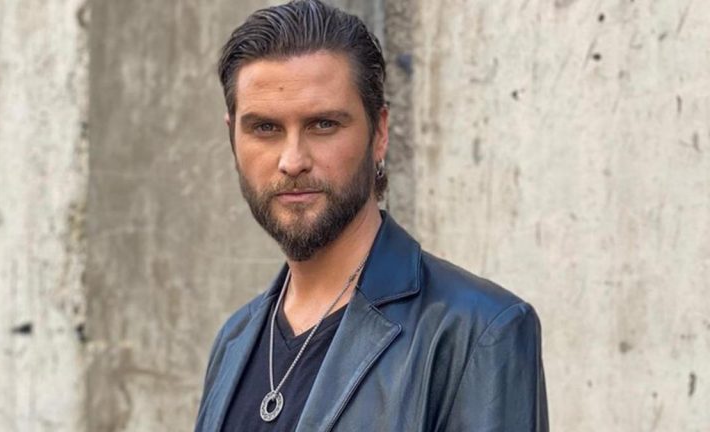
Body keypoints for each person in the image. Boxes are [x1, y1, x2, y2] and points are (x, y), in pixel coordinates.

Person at [194, 1, 548, 430]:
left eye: (323, 124)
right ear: (232, 139)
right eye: (265, 128)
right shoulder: (234, 340)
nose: (292, 160)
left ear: (379, 133)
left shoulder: (479, 331)